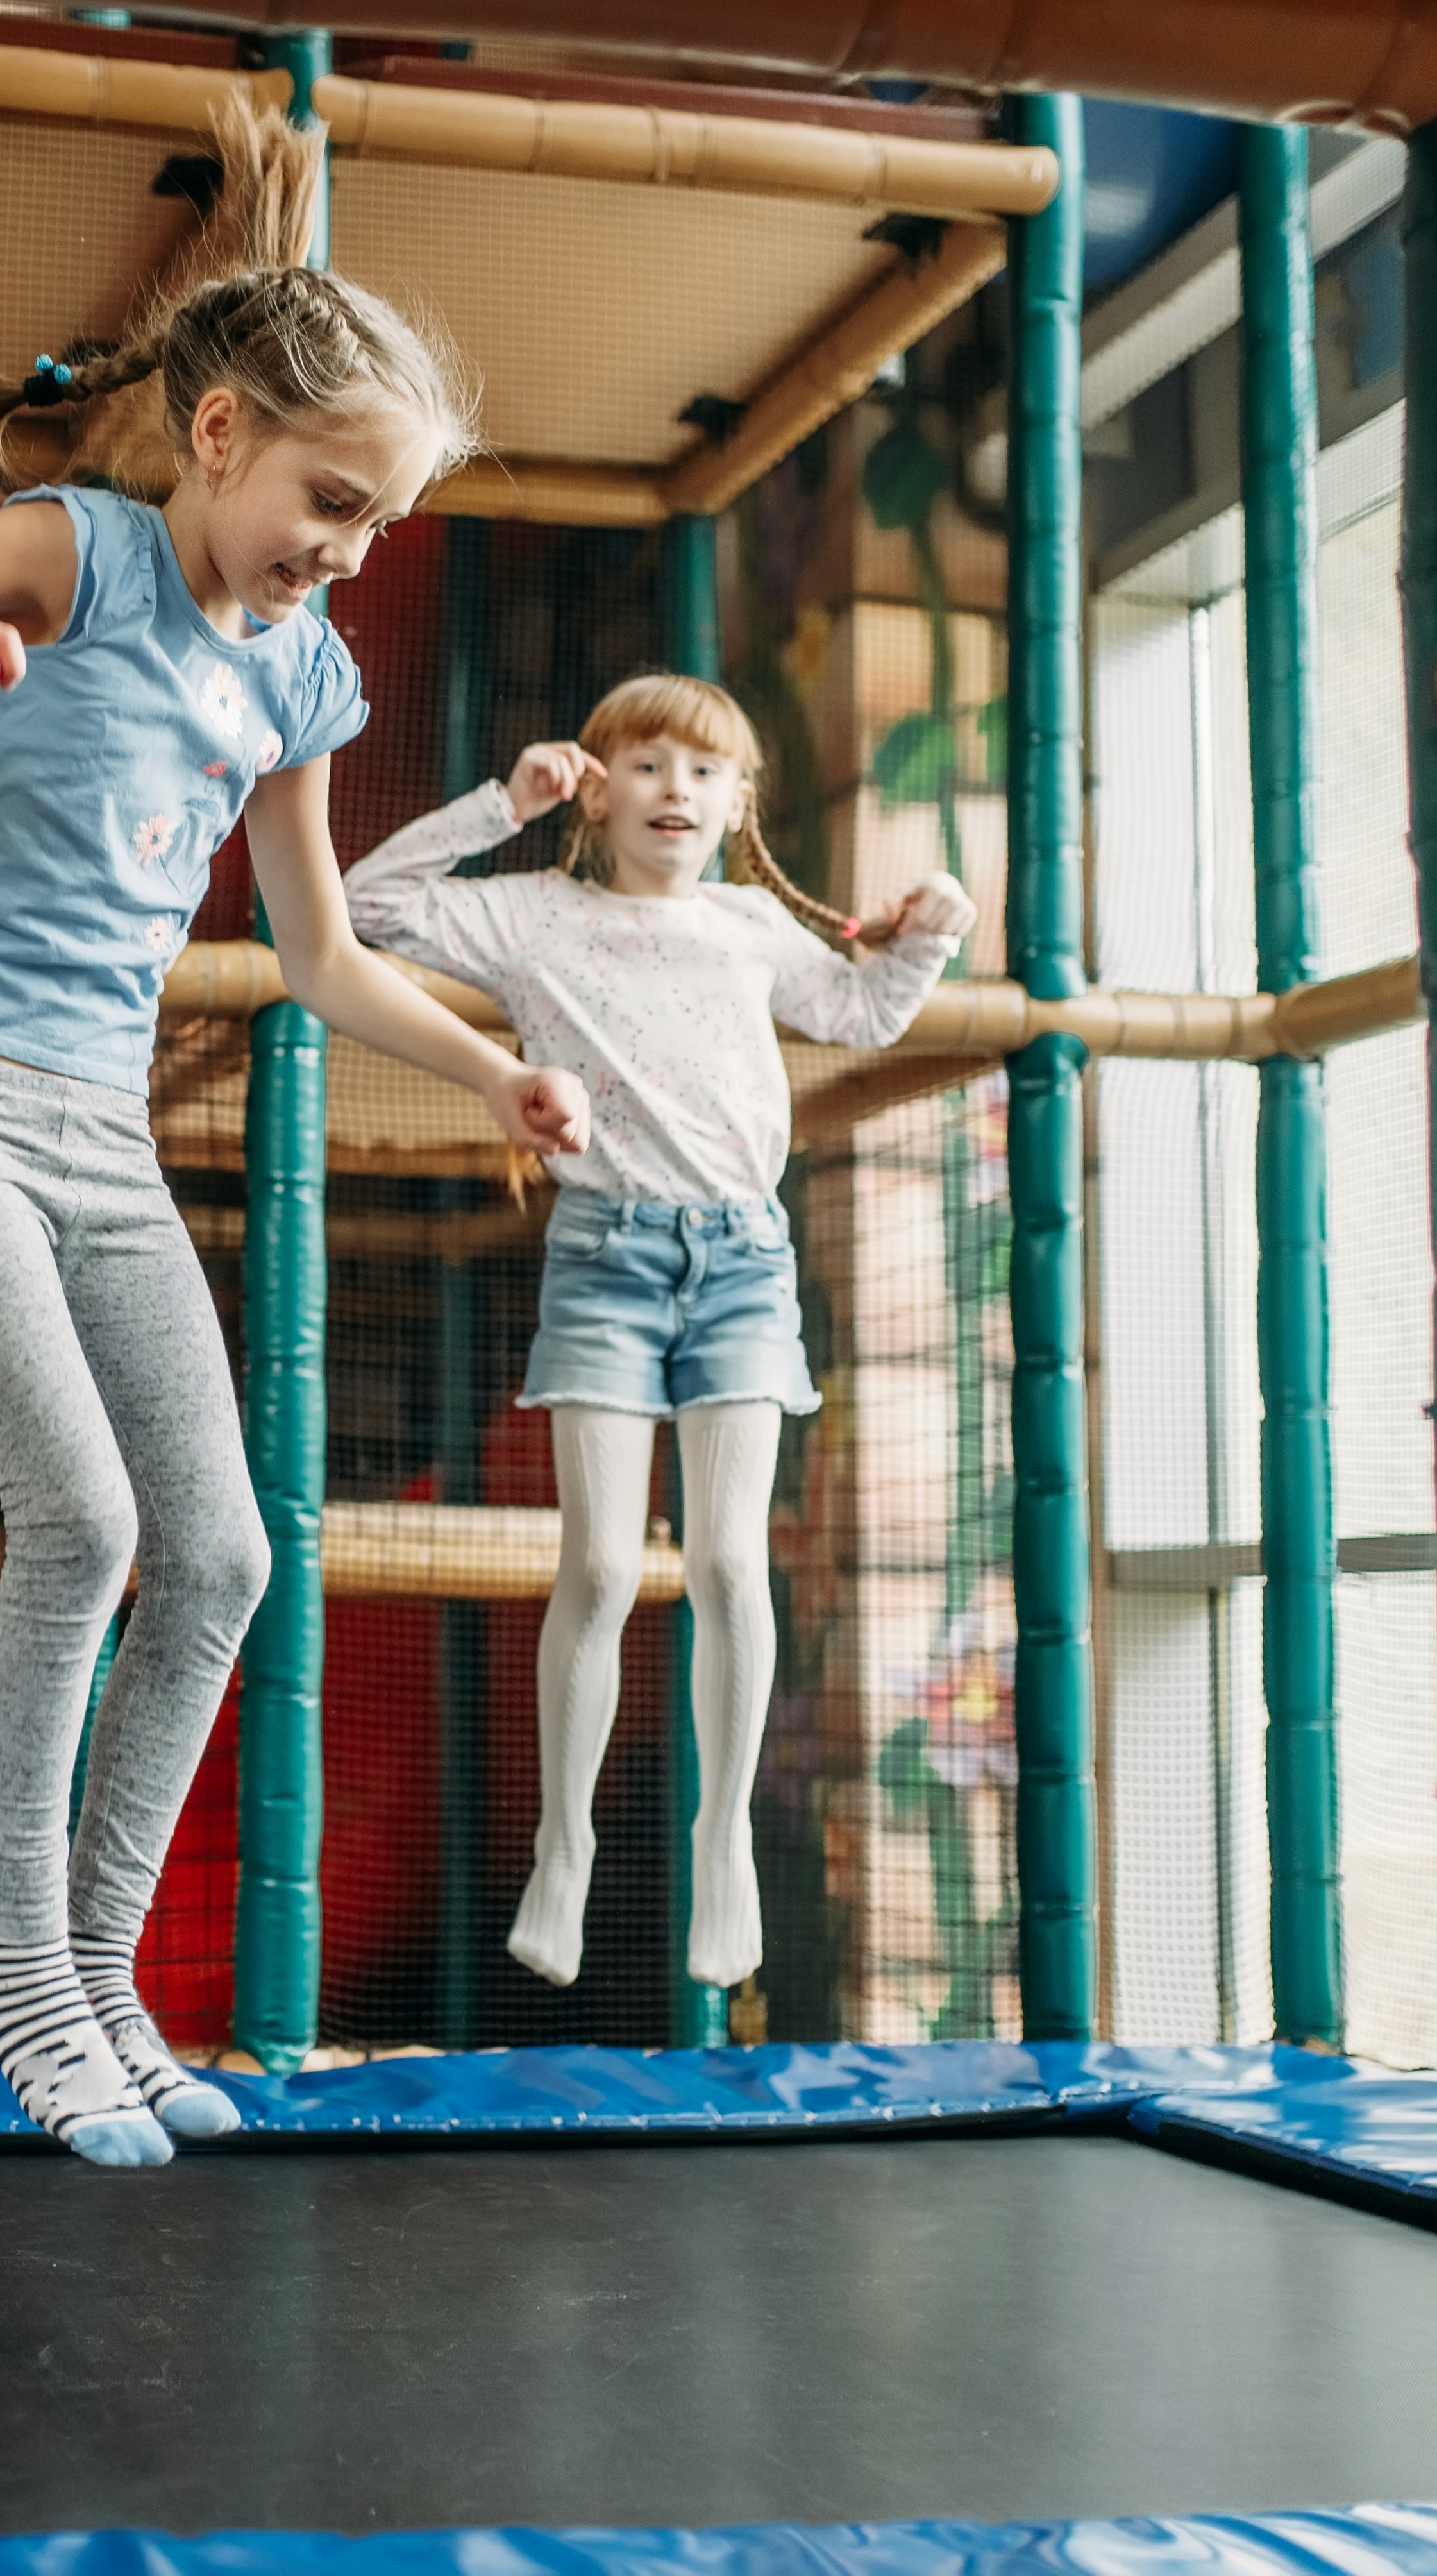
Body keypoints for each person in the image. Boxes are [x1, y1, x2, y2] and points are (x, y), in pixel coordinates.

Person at [0, 107, 587, 2167]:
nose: (347, 555)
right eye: (331, 500)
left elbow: (313, 953)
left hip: (103, 1143)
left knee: (219, 1549)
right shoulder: (81, 553)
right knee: (87, 1524)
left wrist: (493, 1066)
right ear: (217, 437)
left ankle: (99, 1976)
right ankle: (16, 1970)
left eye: (379, 527)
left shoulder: (295, 680)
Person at [344, 672, 976, 1993]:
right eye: (643, 764)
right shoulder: (534, 916)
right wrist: (495, 804)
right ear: (594, 788)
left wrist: (925, 936)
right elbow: (363, 905)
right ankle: (560, 1845)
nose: (672, 790)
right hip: (605, 1258)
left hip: (742, 1259)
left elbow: (859, 1011)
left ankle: (723, 1837)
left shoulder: (749, 927)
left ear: (738, 805)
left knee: (732, 1566)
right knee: (596, 1567)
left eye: (701, 772)